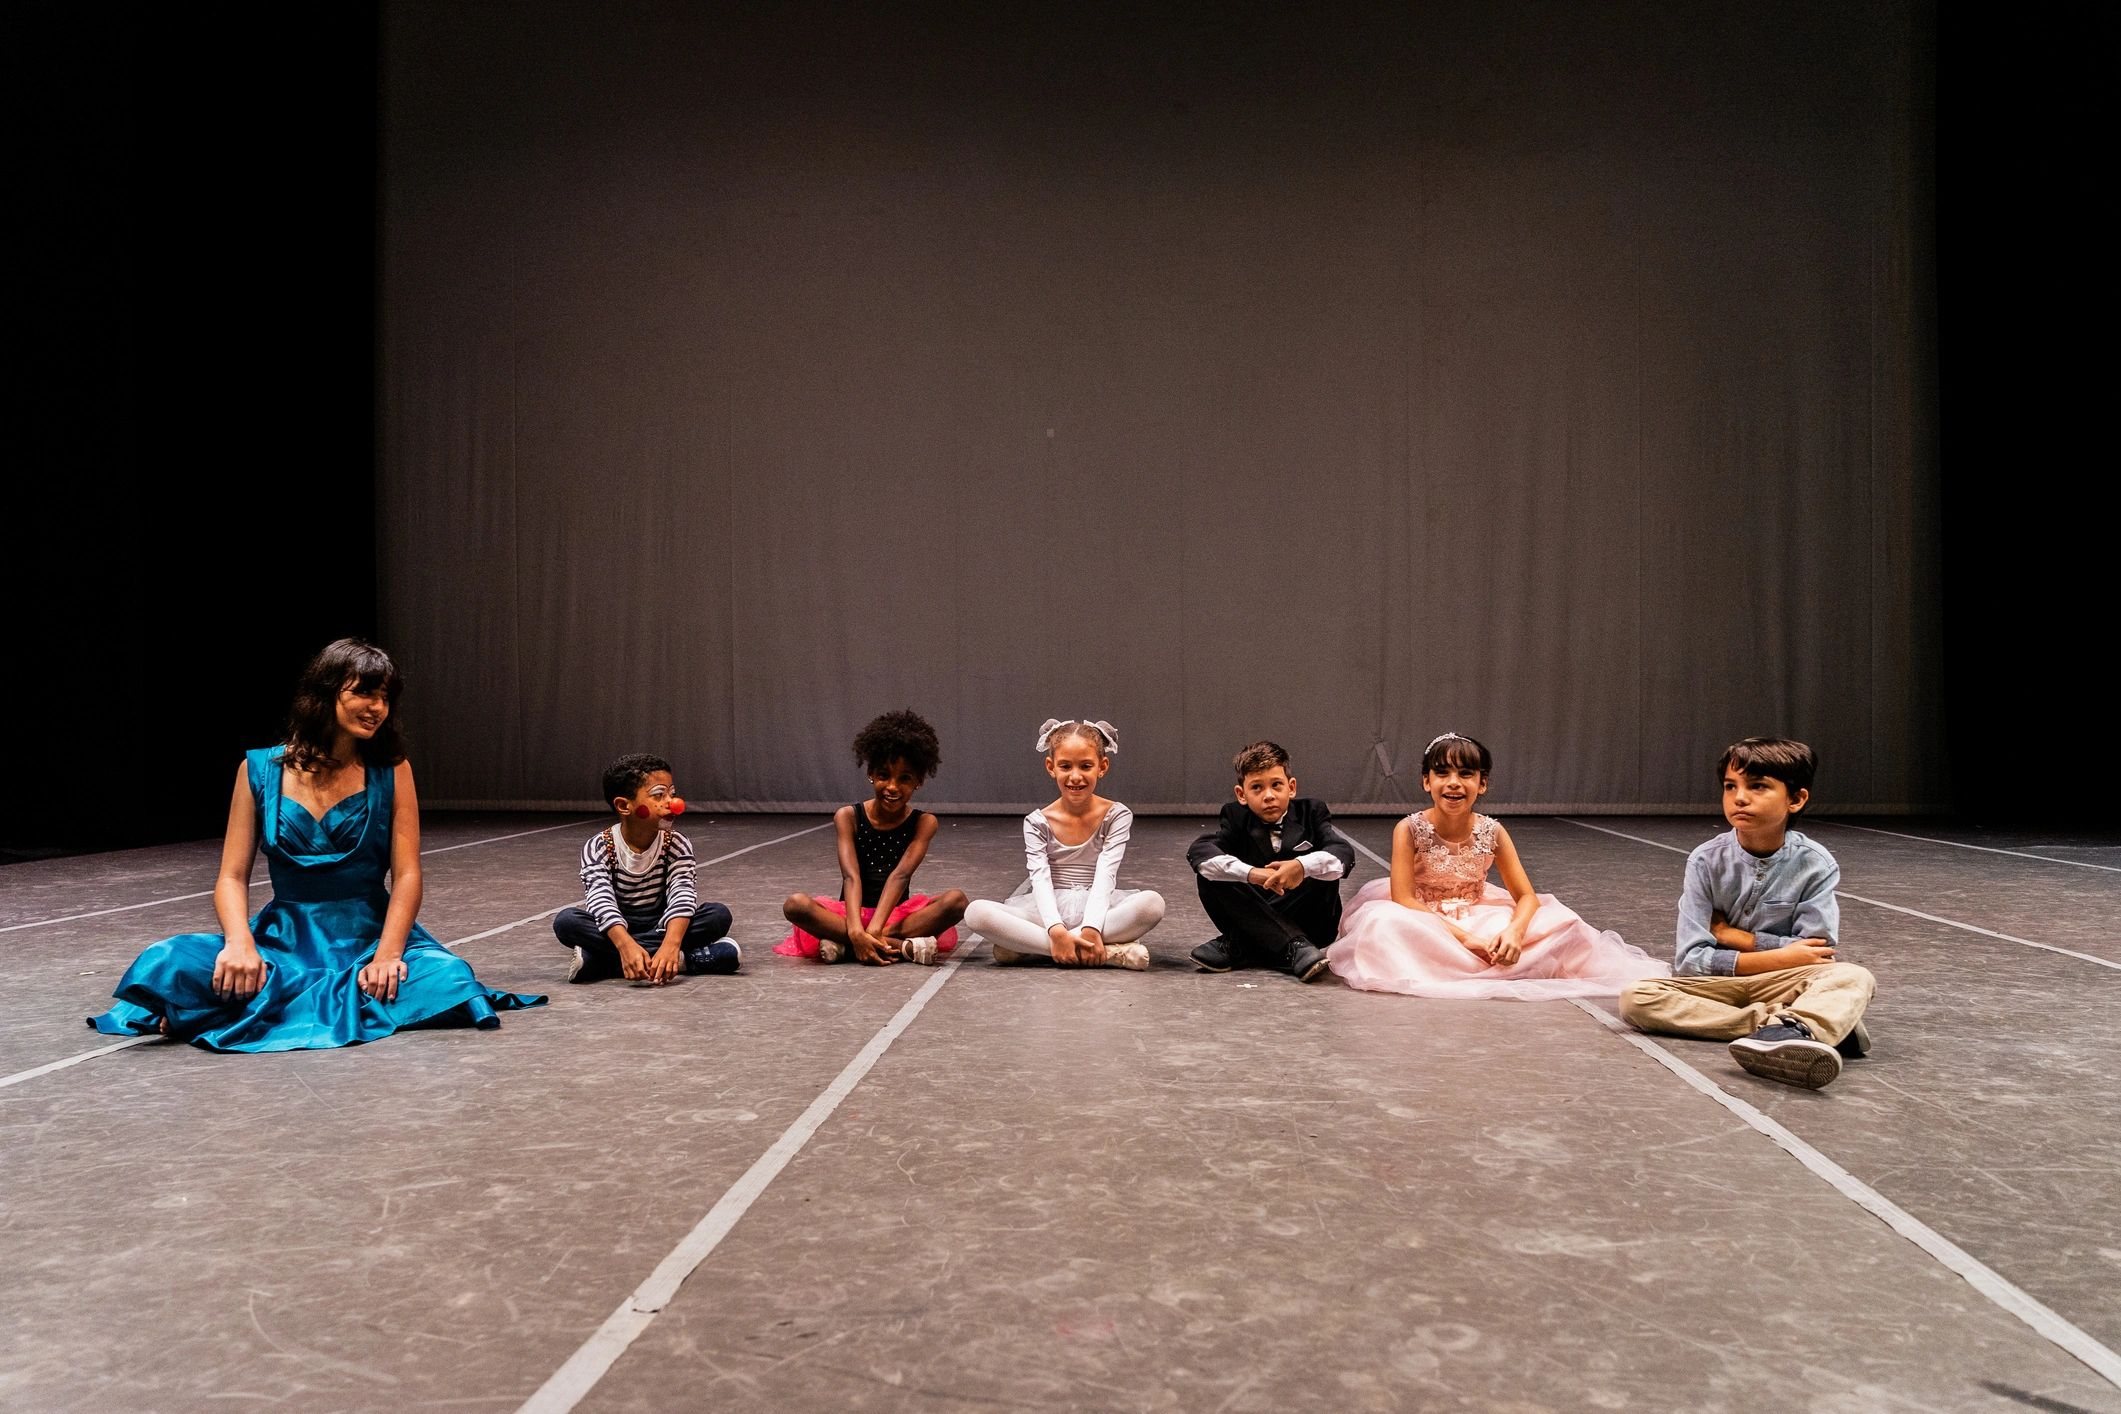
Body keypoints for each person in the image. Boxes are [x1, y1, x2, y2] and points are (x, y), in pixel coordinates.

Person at [87, 639, 545, 1051]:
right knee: (165, 961)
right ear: (325, 694)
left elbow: (406, 876)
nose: (378, 707)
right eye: (364, 692)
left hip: (368, 939)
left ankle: (209, 1010)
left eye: (385, 696)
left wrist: (388, 955)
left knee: (448, 978)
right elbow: (230, 876)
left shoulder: (392, 770)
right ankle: (225, 999)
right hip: (281, 941)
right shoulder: (258, 770)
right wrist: (239, 943)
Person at [1618, 736, 1875, 1089]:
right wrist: (1783, 953)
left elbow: (1816, 954)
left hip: (1780, 983)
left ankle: (1794, 1026)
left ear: (1796, 799)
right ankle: (1788, 1026)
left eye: (1757, 787)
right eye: (1730, 786)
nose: (1739, 797)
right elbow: (1691, 961)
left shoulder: (1815, 864)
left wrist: (1734, 937)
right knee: (1637, 999)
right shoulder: (1705, 862)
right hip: (1714, 988)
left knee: (1853, 976)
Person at [1326, 733, 1665, 998]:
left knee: (1564, 924)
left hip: (1477, 909)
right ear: (1426, 782)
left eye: (1466, 774)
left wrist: (1514, 932)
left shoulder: (1493, 831)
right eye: (1442, 773)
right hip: (1423, 916)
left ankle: (1494, 956)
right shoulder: (1409, 829)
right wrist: (1469, 940)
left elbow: (1527, 896)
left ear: (1482, 783)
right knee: (1383, 925)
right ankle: (1463, 958)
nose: (1454, 783)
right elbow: (1404, 900)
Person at [963, 718, 1166, 970]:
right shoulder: (1037, 822)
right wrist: (1057, 930)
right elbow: (1040, 879)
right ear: (1051, 767)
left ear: (1102, 767)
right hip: (1047, 914)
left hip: (1100, 911)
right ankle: (1108, 952)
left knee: (1152, 904)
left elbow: (1106, 872)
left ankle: (1033, 949)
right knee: (976, 913)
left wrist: (1091, 927)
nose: (1075, 776)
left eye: (1086, 766)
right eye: (1065, 766)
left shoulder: (1117, 815)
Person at [777, 710, 967, 965]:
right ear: (871, 773)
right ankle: (898, 947)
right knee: (795, 905)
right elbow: (851, 876)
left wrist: (875, 929)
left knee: (957, 902)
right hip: (848, 915)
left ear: (918, 782)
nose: (892, 786)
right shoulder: (848, 816)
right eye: (883, 775)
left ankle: (852, 944)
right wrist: (855, 929)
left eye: (904, 779)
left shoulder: (924, 822)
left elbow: (900, 875)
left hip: (896, 918)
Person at [552, 753, 737, 984]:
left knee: (717, 915)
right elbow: (601, 900)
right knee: (567, 922)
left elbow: (682, 893)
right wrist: (625, 944)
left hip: (662, 925)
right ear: (623, 805)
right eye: (659, 794)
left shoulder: (676, 843)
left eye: (672, 793)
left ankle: (602, 962)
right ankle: (685, 961)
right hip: (617, 929)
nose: (673, 804)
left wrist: (671, 944)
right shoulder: (599, 846)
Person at [1185, 740, 1352, 982]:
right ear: (1241, 794)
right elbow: (1201, 851)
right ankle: (1294, 947)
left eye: (1276, 785)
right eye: (1257, 788)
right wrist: (1252, 873)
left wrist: (1301, 867)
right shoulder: (1235, 817)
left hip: (1312, 923)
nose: (1269, 796)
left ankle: (1241, 943)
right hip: (1268, 908)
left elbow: (1342, 852)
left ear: (1291, 787)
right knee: (1209, 874)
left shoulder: (1312, 811)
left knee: (1319, 867)